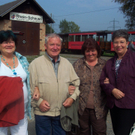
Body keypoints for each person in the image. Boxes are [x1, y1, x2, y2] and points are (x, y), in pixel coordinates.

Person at [29, 33, 80, 135]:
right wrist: (39, 103)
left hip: (62, 112)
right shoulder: (35, 64)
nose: (55, 47)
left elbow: (76, 84)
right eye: (52, 44)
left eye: (58, 45)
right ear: (45, 46)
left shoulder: (67, 64)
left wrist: (72, 98)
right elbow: (29, 88)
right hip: (42, 113)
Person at [69, 38, 108, 135]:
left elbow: (113, 81)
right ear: (84, 52)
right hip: (82, 107)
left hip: (99, 107)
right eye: (87, 51)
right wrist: (70, 86)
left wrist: (109, 81)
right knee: (83, 131)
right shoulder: (77, 64)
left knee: (99, 132)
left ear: (97, 51)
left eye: (93, 50)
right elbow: (69, 80)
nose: (90, 53)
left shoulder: (104, 65)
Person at [100, 29, 135, 135]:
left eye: (122, 42)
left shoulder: (133, 59)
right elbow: (102, 80)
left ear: (127, 43)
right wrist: (112, 89)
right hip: (114, 106)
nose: (119, 45)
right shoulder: (110, 62)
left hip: (129, 105)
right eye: (116, 42)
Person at [0, 30, 31, 135]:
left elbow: (29, 79)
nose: (9, 44)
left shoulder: (22, 59)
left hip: (21, 110)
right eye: (5, 42)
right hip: (1, 110)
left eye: (11, 41)